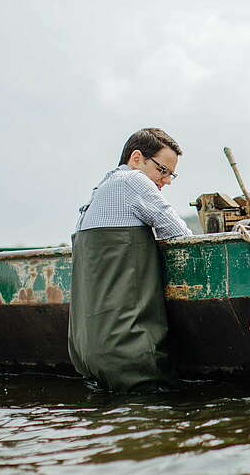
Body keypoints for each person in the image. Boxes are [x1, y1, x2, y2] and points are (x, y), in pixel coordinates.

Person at [69, 127, 192, 392]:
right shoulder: (133, 182)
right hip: (129, 354)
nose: (167, 181)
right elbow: (180, 235)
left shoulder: (99, 192)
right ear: (137, 158)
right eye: (162, 170)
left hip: (86, 354)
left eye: (172, 174)